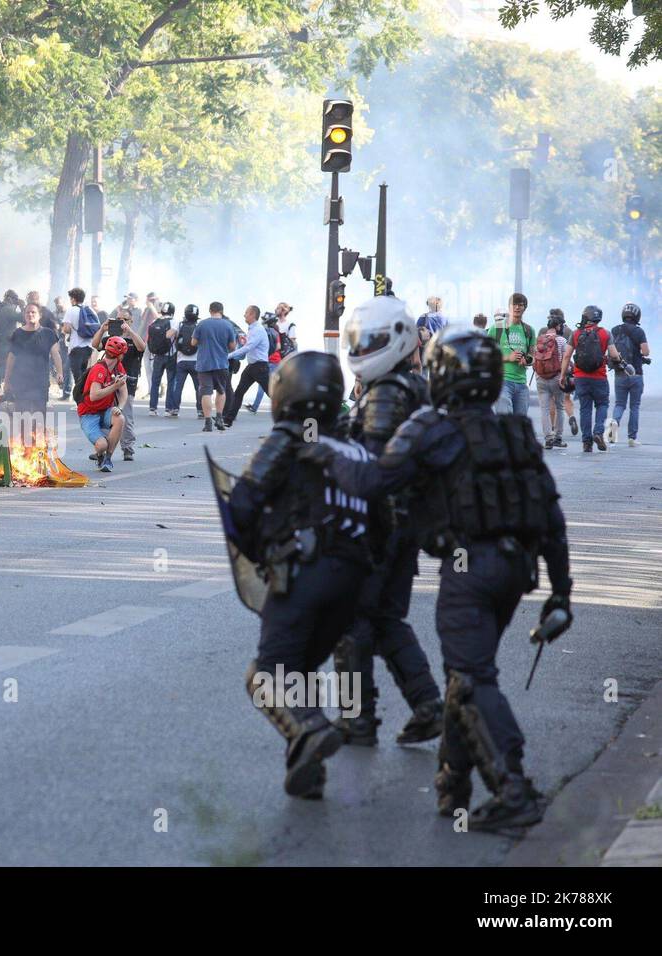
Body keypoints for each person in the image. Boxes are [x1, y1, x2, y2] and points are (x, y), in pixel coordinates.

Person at [304, 327, 573, 831]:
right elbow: (551, 515)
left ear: (442, 374)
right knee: (465, 674)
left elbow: (375, 480)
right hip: (519, 572)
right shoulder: (515, 431)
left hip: (468, 570)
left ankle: (512, 787)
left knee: (471, 677)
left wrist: (324, 452)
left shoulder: (430, 426)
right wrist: (561, 592)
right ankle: (454, 786)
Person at [222, 351, 373, 799]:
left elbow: (243, 504)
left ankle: (309, 730)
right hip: (352, 583)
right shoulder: (353, 447)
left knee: (267, 674)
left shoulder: (287, 438)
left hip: (303, 572)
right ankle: (307, 770)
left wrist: (261, 554)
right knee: (299, 673)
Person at [331, 295, 443, 746]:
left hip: (379, 528)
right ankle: (427, 703)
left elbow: (373, 470)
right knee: (385, 620)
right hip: (404, 527)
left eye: (370, 340)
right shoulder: (410, 386)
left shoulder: (387, 395)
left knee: (352, 623)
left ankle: (358, 719)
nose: (361, 348)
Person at [562, 305, 620, 453]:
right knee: (602, 405)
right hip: (600, 377)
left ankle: (586, 443)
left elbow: (567, 355)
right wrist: (619, 359)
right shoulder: (606, 334)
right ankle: (598, 432)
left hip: (581, 378)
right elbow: (614, 355)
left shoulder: (575, 334)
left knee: (585, 409)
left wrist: (563, 375)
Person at [4, 302, 62, 445]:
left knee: (39, 416)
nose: (30, 315)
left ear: (39, 315)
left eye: (33, 312)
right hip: (21, 382)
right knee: (22, 416)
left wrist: (60, 373)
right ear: (24, 315)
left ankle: (37, 446)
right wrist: (6, 380)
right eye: (27, 312)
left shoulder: (48, 334)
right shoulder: (18, 334)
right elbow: (11, 357)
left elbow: (56, 354)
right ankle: (24, 447)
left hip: (40, 382)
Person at [92, 305, 144, 460]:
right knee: (105, 417)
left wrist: (129, 331)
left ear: (131, 321)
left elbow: (142, 347)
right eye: (118, 320)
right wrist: (103, 329)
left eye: (125, 320)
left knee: (125, 416)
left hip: (127, 383)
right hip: (107, 383)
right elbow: (95, 345)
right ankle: (101, 449)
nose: (121, 323)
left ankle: (128, 448)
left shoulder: (133, 340)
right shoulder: (110, 339)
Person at [76, 336, 128, 473]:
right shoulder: (99, 369)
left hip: (105, 410)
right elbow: (94, 395)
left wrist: (120, 407)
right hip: (88, 414)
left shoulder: (118, 367)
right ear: (120, 355)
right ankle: (100, 455)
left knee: (120, 418)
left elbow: (124, 392)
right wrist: (114, 386)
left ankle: (108, 459)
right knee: (101, 445)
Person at [221, 305, 272, 429]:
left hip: (260, 367)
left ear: (253, 315)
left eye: (246, 313)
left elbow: (248, 347)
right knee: (239, 392)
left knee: (274, 394)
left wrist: (229, 356)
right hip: (252, 366)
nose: (244, 315)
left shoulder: (258, 330)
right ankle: (228, 420)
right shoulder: (251, 329)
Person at [608, 303, 649, 447]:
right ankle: (632, 438)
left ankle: (614, 424)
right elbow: (645, 351)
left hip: (620, 372)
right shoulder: (639, 331)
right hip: (636, 373)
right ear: (637, 316)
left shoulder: (615, 330)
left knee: (619, 404)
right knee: (635, 406)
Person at [489, 292, 535, 417]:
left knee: (520, 426)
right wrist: (508, 357)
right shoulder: (497, 328)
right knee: (505, 421)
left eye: (521, 305)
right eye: (514, 304)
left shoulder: (529, 330)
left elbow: (532, 356)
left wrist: (528, 360)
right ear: (509, 306)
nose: (517, 307)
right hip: (502, 382)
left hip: (522, 384)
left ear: (525, 308)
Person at [192, 302, 236, 431]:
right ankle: (219, 418)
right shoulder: (228, 325)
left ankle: (207, 422)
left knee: (206, 392)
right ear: (221, 311)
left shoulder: (202, 324)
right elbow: (233, 346)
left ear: (210, 310)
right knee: (221, 391)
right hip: (221, 363)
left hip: (204, 363)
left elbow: (193, 342)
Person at [532, 314, 568, 449]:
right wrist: (564, 376)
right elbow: (566, 359)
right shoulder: (562, 341)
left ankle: (548, 438)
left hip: (541, 378)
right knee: (560, 407)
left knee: (544, 409)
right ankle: (558, 438)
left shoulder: (540, 339)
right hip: (556, 378)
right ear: (558, 326)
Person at [61, 288, 100, 390]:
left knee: (78, 379)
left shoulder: (71, 310)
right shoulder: (90, 310)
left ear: (73, 299)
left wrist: (65, 329)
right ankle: (84, 399)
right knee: (83, 376)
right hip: (88, 348)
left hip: (76, 348)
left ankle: (81, 401)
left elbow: (66, 329)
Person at [167, 304, 200, 417]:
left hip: (181, 360)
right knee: (198, 386)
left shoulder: (180, 324)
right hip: (196, 360)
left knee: (178, 386)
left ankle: (175, 409)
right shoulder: (198, 325)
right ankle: (200, 411)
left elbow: (169, 335)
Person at [146, 302, 176, 415]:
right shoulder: (175, 322)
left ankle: (152, 408)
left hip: (157, 355)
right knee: (171, 382)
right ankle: (169, 409)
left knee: (155, 382)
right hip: (171, 355)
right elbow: (172, 336)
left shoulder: (155, 322)